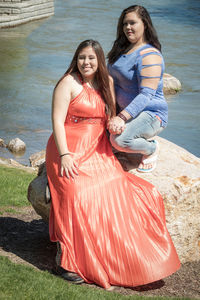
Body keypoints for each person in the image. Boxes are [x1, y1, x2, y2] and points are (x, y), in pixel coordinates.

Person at [46, 39, 180, 290]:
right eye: (82, 57)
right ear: (76, 59)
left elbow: (109, 117)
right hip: (69, 147)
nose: (86, 63)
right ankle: (67, 259)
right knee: (77, 192)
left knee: (125, 190)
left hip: (98, 148)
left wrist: (117, 124)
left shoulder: (106, 83)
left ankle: (127, 259)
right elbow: (56, 121)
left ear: (99, 61)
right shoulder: (68, 83)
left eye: (91, 58)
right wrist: (64, 155)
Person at [107, 5, 168, 173]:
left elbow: (147, 95)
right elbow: (110, 80)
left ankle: (151, 148)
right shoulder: (120, 50)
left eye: (133, 23)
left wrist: (121, 117)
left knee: (120, 141)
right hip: (123, 111)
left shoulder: (150, 55)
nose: (128, 27)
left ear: (145, 24)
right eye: (125, 24)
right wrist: (111, 114)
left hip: (151, 113)